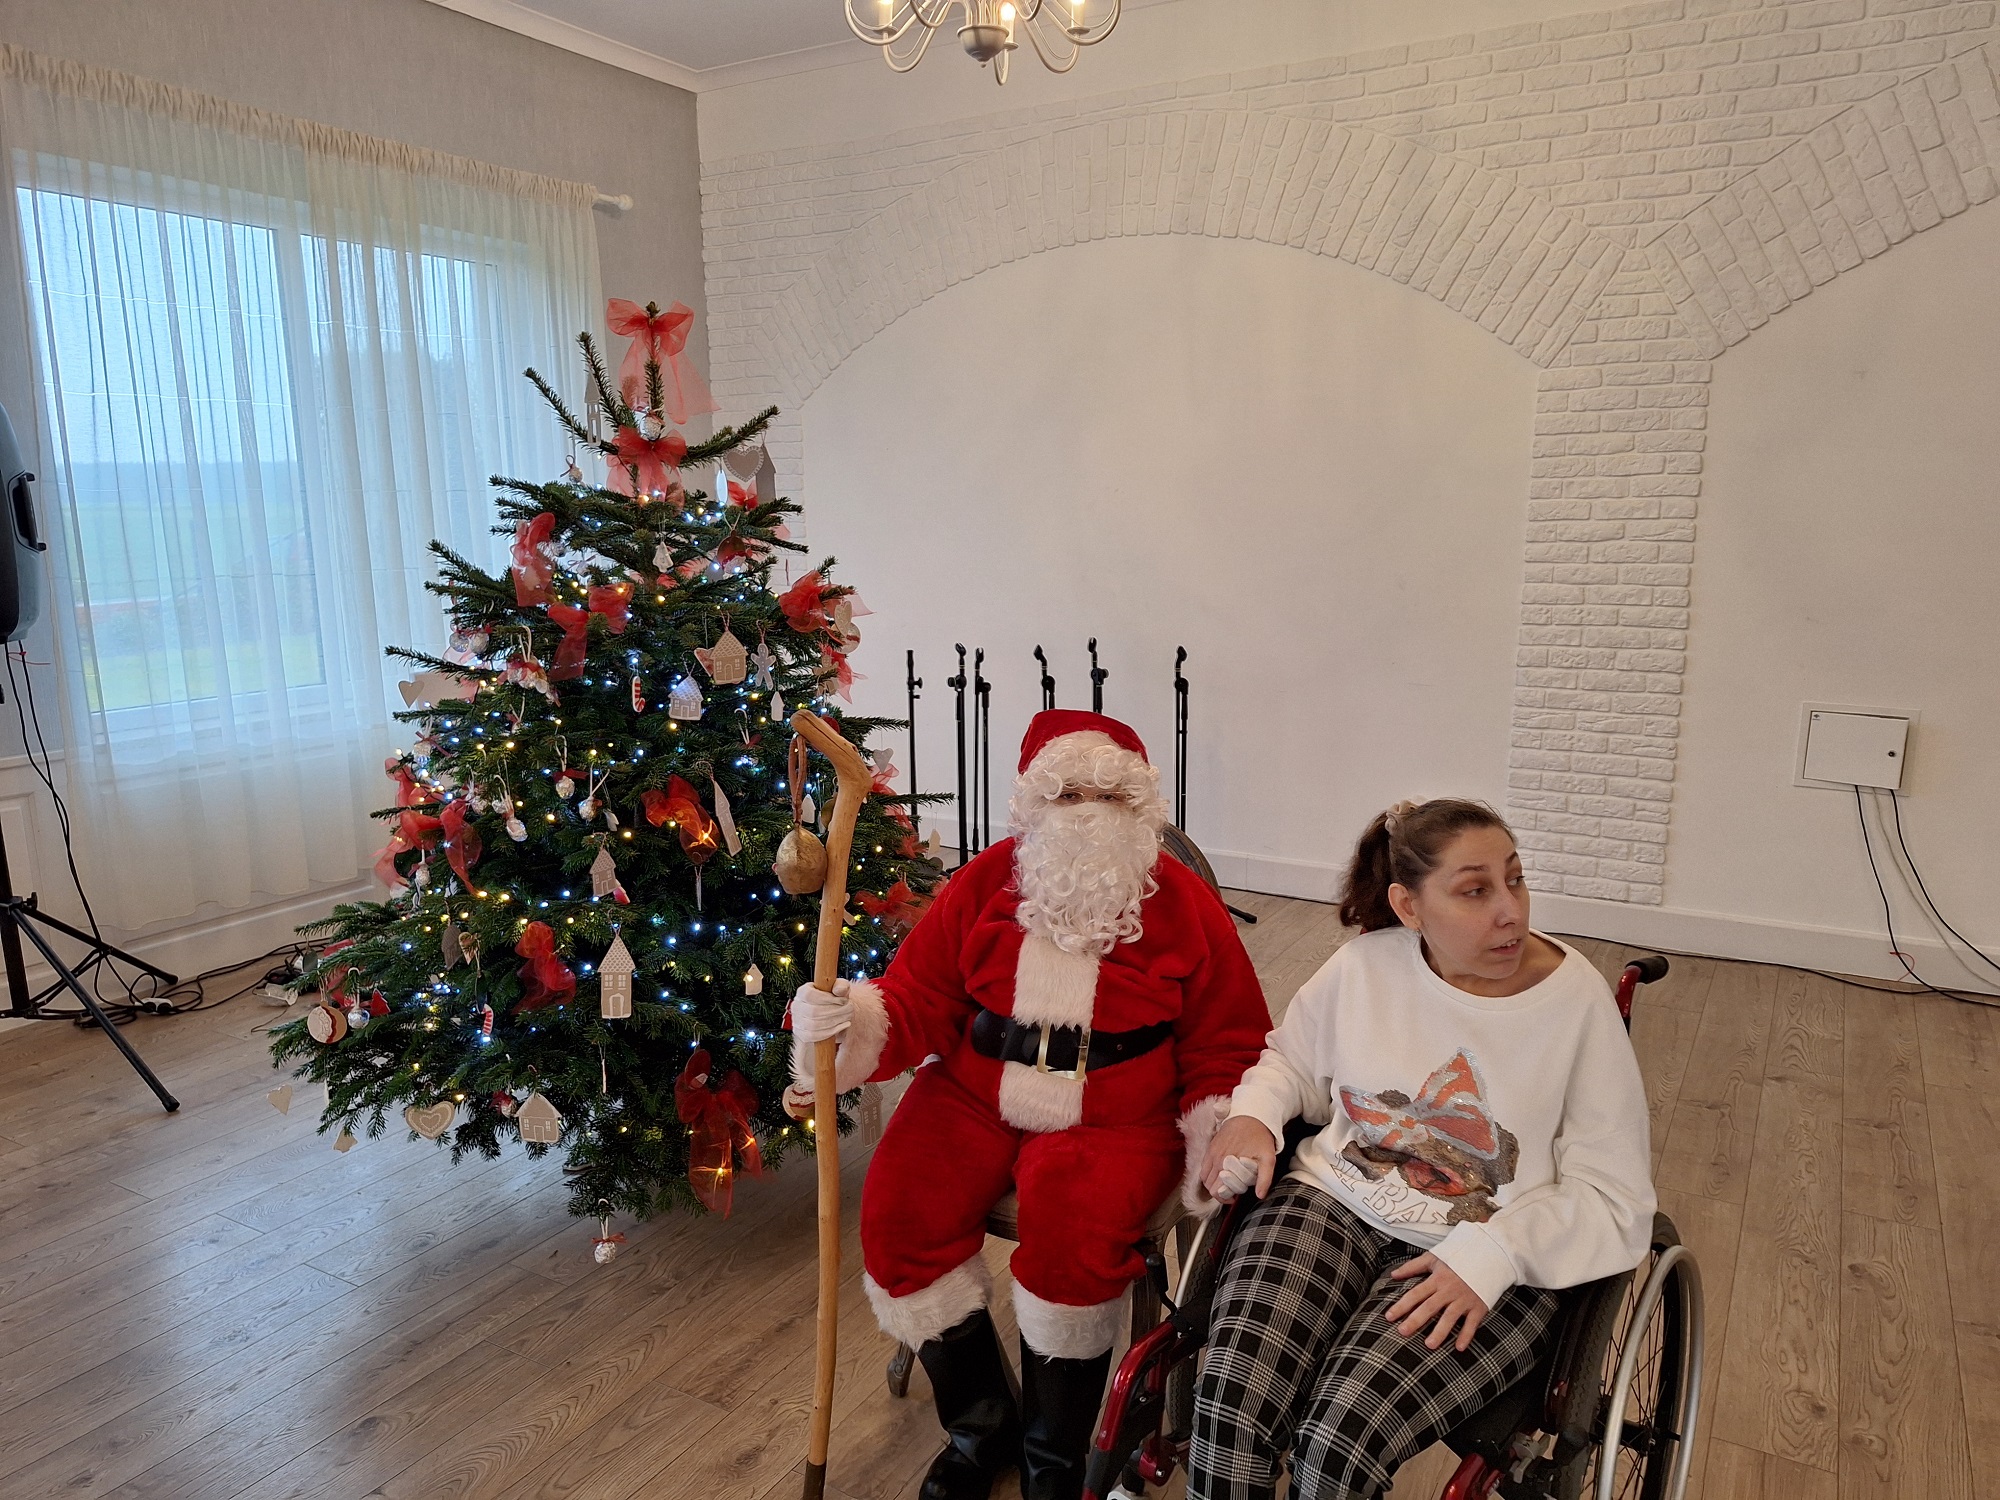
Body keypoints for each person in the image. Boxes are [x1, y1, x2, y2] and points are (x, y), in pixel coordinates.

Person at [786, 709, 1269, 1500]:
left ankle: (1056, 1459)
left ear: (1140, 806)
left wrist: (1221, 1123)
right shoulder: (985, 880)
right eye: (1068, 794)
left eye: (1108, 796)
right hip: (975, 1086)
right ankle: (981, 1432)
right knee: (901, 1212)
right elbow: (919, 993)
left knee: (1073, 1238)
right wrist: (849, 1022)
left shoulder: (1181, 900)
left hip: (1117, 1107)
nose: (1087, 813)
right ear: (1034, 804)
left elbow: (1229, 1032)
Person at [1188, 799, 1655, 1500]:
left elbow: (1613, 1197)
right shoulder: (1364, 968)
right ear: (1409, 906)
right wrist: (1256, 1113)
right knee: (1231, 1401)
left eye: (1515, 879)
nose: (1511, 912)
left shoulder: (1576, 1003)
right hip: (1333, 1200)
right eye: (1475, 891)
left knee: (1338, 1445)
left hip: (1487, 1248)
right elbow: (1293, 1063)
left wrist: (1495, 1255)